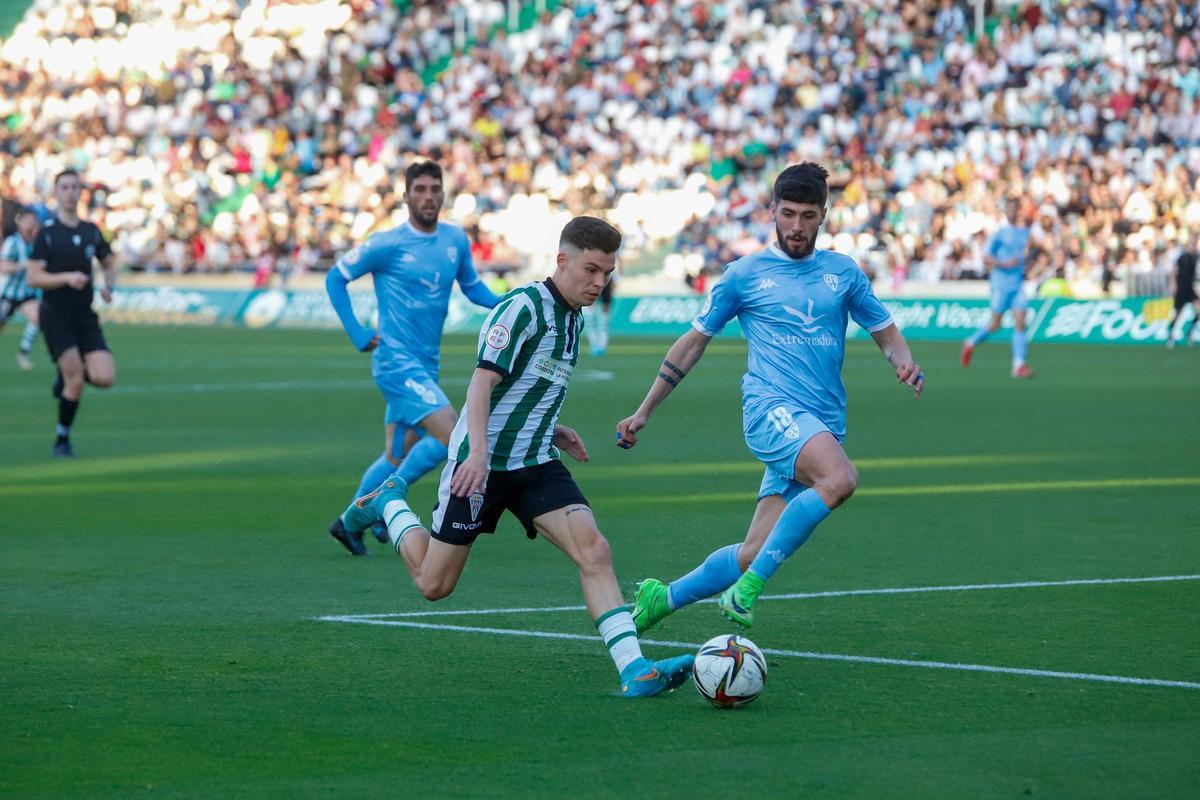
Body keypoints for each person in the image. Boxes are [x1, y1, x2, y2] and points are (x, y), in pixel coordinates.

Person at [339, 216, 695, 697]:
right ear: (562, 260)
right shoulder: (522, 308)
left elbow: (529, 384)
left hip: (535, 464)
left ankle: (634, 670)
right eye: (591, 270)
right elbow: (482, 382)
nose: (599, 282)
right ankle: (390, 502)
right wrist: (480, 454)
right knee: (434, 585)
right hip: (478, 466)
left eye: (607, 273)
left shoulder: (573, 318)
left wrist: (552, 427)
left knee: (594, 550)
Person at [616, 163, 925, 631]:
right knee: (839, 479)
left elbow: (884, 329)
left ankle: (664, 598)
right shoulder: (744, 274)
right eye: (787, 214)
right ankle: (746, 593)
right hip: (770, 410)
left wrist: (901, 360)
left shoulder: (843, 273)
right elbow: (693, 341)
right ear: (772, 212)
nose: (796, 226)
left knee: (753, 549)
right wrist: (644, 410)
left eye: (807, 215)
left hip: (820, 423)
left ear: (824, 214)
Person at [325, 161, 502, 555]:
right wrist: (356, 331)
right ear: (406, 196)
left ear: (443, 194)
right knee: (451, 436)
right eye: (419, 189)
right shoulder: (386, 244)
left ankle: (347, 523)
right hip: (395, 363)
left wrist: (511, 302)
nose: (428, 196)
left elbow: (473, 288)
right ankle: (378, 509)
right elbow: (335, 278)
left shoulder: (455, 240)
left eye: (434, 189)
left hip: (426, 366)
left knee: (397, 453)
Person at [25, 170, 117, 458]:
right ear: (56, 192)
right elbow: (34, 277)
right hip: (55, 314)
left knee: (104, 378)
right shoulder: (48, 233)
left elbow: (109, 261)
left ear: (81, 192)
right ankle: (61, 440)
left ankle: (64, 374)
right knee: (75, 378)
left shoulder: (90, 230)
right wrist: (66, 278)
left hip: (84, 314)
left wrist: (108, 285)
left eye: (75, 187)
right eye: (64, 187)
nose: (70, 192)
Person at [960, 198, 1035, 378]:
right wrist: (1005, 263)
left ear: (1018, 211)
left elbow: (1028, 251)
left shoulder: (1025, 232)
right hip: (1001, 284)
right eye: (1008, 209)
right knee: (995, 325)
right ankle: (971, 342)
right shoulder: (999, 233)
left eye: (1013, 208)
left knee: (1020, 321)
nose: (1011, 212)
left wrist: (1028, 261)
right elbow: (986, 257)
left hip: (1017, 284)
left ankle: (1018, 364)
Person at [0, 206, 42, 369]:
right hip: (7, 294)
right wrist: (22, 266)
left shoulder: (37, 244)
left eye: (34, 222)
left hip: (26, 294)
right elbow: (3, 266)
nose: (32, 225)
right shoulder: (13, 242)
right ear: (20, 223)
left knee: (38, 317)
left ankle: (23, 353)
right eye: (29, 222)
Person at [1165, 242, 1198, 349]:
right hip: (1181, 288)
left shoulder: (1196, 257)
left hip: (1191, 288)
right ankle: (1170, 336)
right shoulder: (1182, 257)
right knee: (1178, 314)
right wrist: (1173, 284)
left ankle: (1189, 333)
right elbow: (1174, 271)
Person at [586, 264, 617, 356]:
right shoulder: (595, 273)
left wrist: (607, 302)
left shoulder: (609, 275)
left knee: (602, 325)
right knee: (593, 324)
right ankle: (595, 346)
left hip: (603, 301)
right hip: (594, 301)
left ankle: (601, 347)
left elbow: (611, 287)